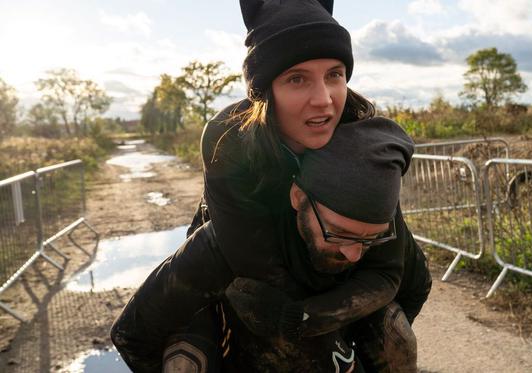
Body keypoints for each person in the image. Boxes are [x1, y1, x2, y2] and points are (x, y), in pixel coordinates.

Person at [111, 0, 429, 371]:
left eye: (335, 74)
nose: (324, 100)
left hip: (311, 288)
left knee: (393, 334)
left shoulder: (366, 140)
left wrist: (352, 331)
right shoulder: (228, 142)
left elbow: (400, 278)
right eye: (297, 78)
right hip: (242, 275)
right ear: (265, 91)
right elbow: (262, 287)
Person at [162, 118, 431, 372]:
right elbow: (137, 330)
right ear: (296, 195)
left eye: (368, 237)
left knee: (394, 336)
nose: (353, 250)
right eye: (337, 232)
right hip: (244, 317)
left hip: (335, 314)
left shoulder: (375, 200)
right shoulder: (234, 211)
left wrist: (317, 323)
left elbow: (405, 288)